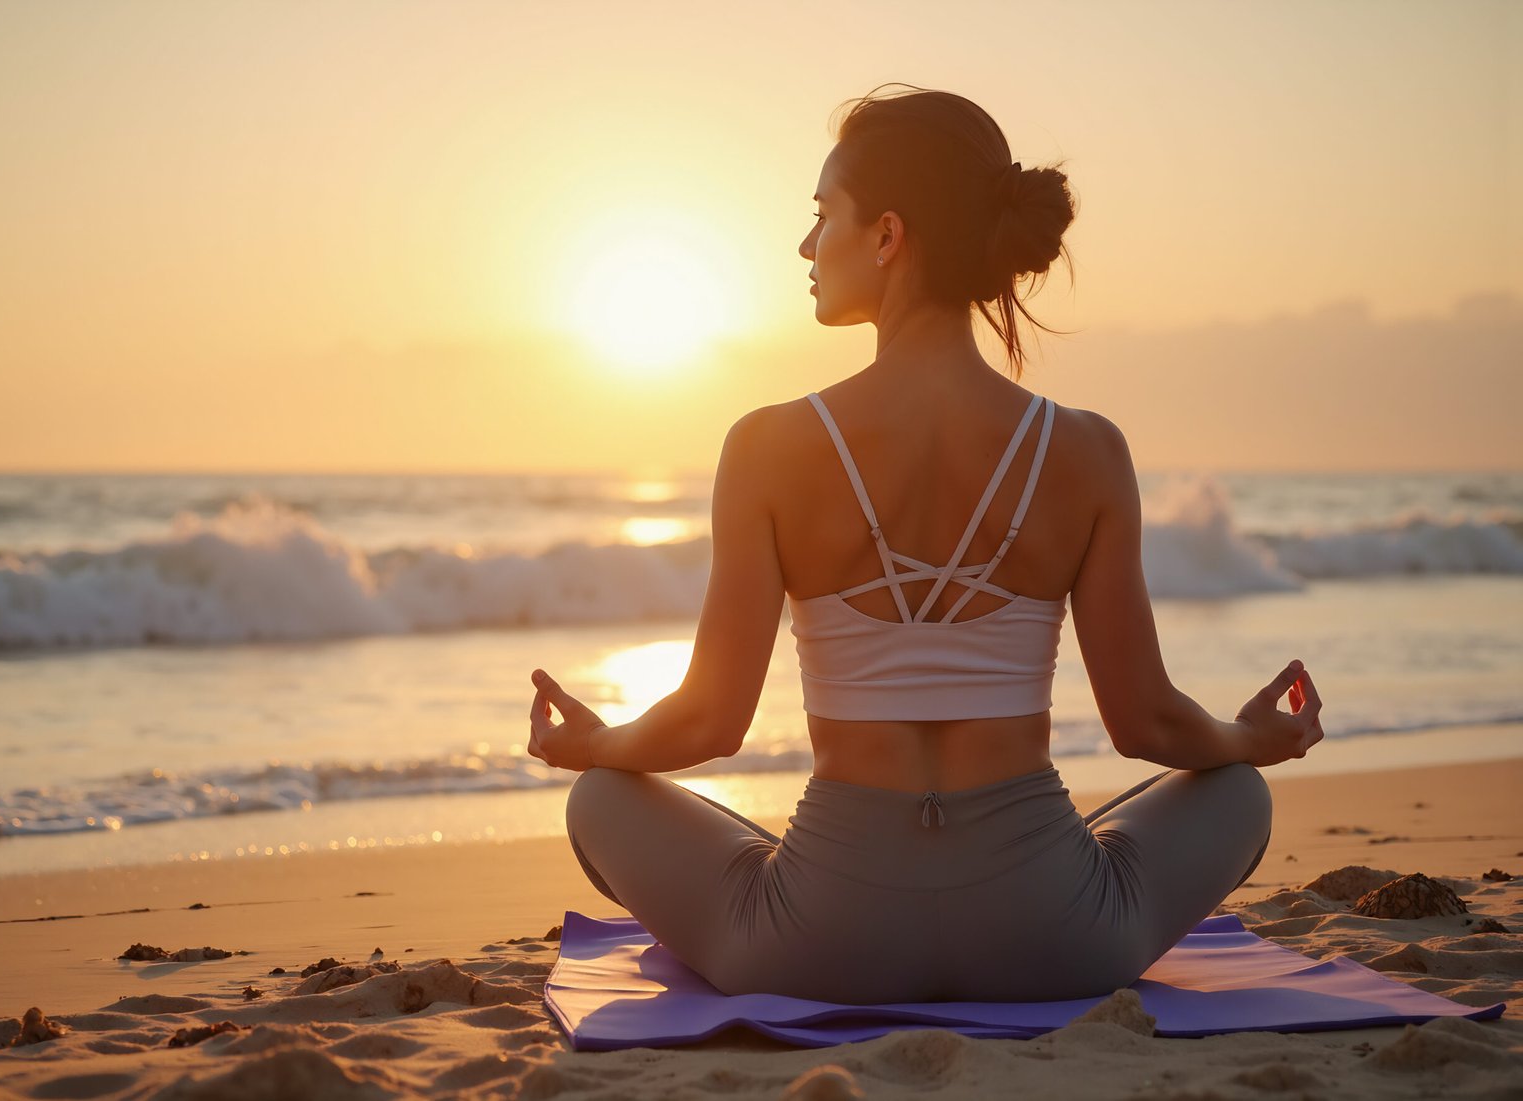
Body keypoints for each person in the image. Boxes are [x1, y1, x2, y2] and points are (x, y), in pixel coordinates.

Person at [526, 84, 1324, 1005]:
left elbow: (712, 722)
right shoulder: (1089, 450)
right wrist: (1247, 739)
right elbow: (1145, 722)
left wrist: (603, 743)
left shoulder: (766, 447)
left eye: (823, 215)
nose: (806, 245)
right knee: (1238, 793)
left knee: (601, 799)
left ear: (888, 235)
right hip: (1053, 933)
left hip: (819, 940)